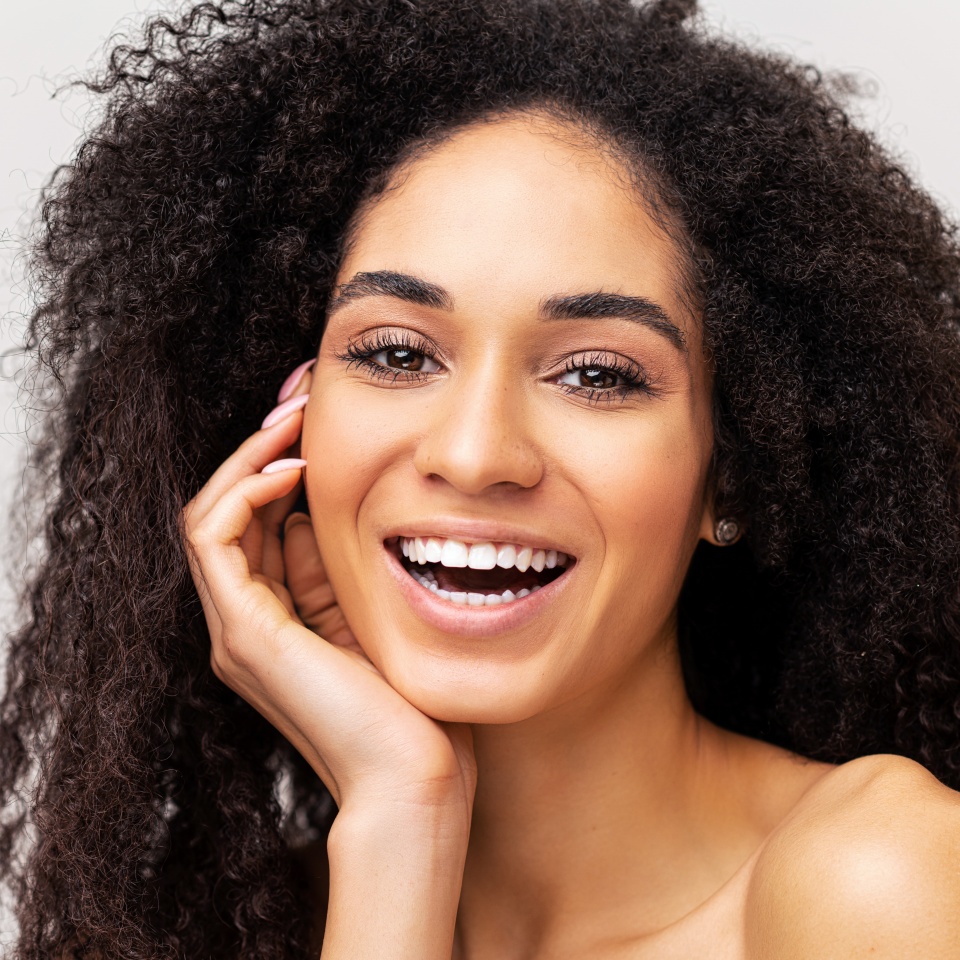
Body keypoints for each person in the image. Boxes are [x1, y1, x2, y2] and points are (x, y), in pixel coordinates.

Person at [2, 0, 960, 956]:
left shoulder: (881, 879)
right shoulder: (229, 928)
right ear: (294, 424)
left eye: (597, 374)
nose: (472, 454)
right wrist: (400, 819)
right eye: (397, 355)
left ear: (736, 476)